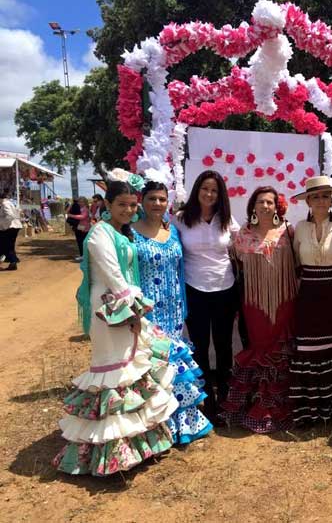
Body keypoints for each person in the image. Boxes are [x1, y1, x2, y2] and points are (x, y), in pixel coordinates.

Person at [53, 174, 178, 476]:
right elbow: (113, 275)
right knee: (113, 372)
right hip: (108, 309)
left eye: (133, 205)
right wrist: (132, 312)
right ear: (107, 204)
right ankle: (108, 451)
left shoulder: (121, 233)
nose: (129, 210)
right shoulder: (100, 235)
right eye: (122, 204)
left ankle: (134, 444)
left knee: (129, 370)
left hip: (121, 304)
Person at [133, 180, 213, 444]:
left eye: (162, 199)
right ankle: (157, 427)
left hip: (175, 309)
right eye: (152, 199)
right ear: (141, 201)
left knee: (174, 365)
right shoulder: (130, 234)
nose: (157, 204)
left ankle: (182, 424)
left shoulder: (173, 232)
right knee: (154, 364)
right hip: (148, 311)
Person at [220, 186, 298, 432]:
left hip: (284, 300)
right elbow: (235, 266)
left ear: (277, 207)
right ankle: (258, 407)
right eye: (261, 202)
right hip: (254, 304)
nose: (265, 206)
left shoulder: (288, 231)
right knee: (260, 348)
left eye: (270, 202)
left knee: (280, 349)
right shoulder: (242, 235)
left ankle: (282, 407)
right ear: (253, 206)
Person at [289, 175, 332, 425]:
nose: (322, 200)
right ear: (308, 200)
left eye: (326, 195)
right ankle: (310, 409)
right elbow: (296, 263)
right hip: (308, 295)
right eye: (316, 196)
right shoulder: (299, 228)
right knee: (308, 348)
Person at [173, 170, 240, 419]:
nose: (209, 194)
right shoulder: (180, 219)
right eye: (205, 189)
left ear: (220, 194)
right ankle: (206, 402)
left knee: (224, 347)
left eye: (214, 190)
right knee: (199, 347)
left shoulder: (227, 219)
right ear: (197, 190)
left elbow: (242, 245)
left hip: (225, 289)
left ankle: (225, 399)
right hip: (194, 289)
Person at [0, 191, 22, 271]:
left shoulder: (5, 204)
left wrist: (4, 226)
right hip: (13, 227)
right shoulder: (11, 203)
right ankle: (13, 263)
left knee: (5, 245)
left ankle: (13, 261)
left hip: (10, 227)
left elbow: (9, 216)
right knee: (9, 246)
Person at [67, 197, 91, 261]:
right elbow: (67, 212)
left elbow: (83, 217)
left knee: (83, 242)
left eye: (82, 202)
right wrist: (71, 205)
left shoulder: (85, 209)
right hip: (78, 227)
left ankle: (85, 255)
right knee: (79, 241)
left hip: (84, 227)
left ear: (85, 202)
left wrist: (72, 216)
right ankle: (82, 255)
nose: (80, 203)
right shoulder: (78, 208)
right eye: (79, 202)